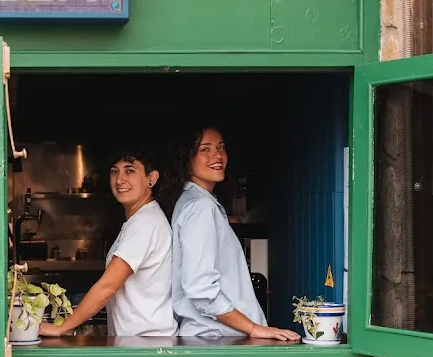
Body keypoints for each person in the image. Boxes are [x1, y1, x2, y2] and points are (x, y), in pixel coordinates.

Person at [165, 127, 300, 341]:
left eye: (220, 148)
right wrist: (253, 328)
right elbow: (200, 288)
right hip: (217, 339)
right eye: (205, 149)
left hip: (217, 338)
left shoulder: (197, 202)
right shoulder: (200, 207)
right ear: (186, 159)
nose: (217, 155)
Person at [39, 146, 176, 338]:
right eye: (114, 171)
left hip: (145, 343)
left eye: (130, 171)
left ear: (151, 178)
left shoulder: (146, 223)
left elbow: (108, 286)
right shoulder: (139, 219)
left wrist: (62, 327)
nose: (120, 180)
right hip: (140, 341)